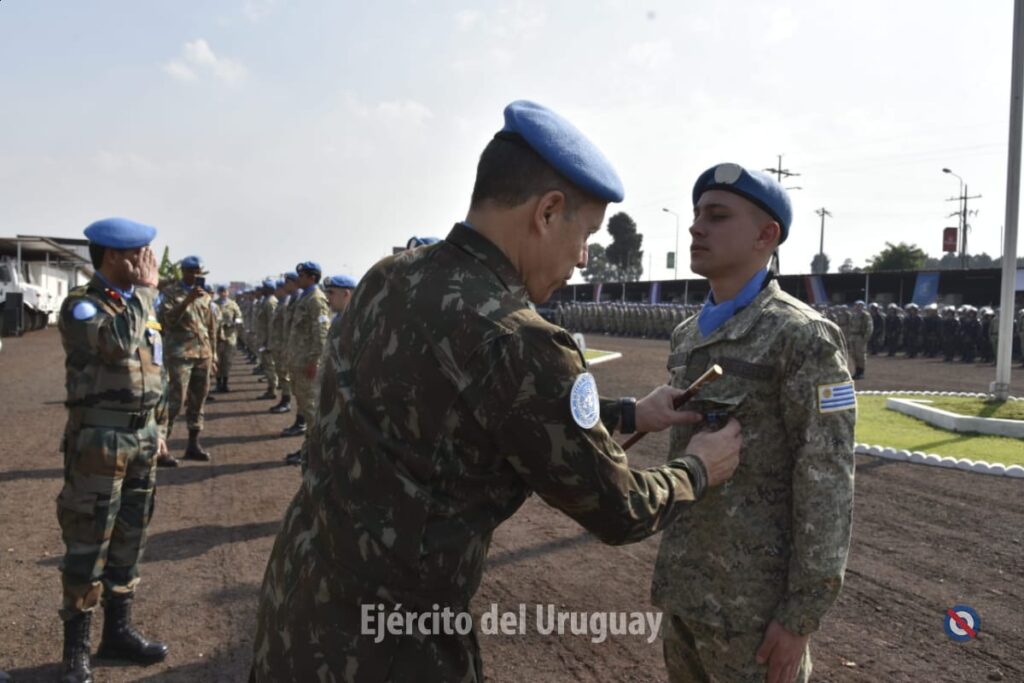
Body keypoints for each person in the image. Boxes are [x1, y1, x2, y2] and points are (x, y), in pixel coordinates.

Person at [250, 100, 743, 682]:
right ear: (547, 212)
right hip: (391, 647)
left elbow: (452, 406)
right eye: (586, 235)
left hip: (297, 603)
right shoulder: (520, 338)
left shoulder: (389, 276)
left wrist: (629, 412)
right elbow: (620, 509)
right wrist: (699, 468)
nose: (583, 258)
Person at [651, 163, 856, 683]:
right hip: (686, 594)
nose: (697, 227)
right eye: (697, 214)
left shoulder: (802, 337)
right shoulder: (687, 335)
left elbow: (827, 479)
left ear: (766, 236)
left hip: (755, 617)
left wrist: (801, 616)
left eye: (717, 216)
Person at [57, 217, 170, 682]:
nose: (148, 262)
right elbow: (116, 345)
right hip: (100, 444)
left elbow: (156, 370)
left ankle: (117, 633)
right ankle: (75, 650)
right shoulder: (83, 306)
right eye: (140, 254)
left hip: (141, 439)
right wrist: (144, 292)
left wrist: (158, 425)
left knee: (130, 538)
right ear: (114, 257)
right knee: (89, 543)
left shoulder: (138, 304)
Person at [284, 274, 358, 467]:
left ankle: (317, 454)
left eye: (331, 293)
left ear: (346, 294)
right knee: (317, 416)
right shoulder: (340, 318)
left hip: (343, 387)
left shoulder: (354, 321)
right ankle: (313, 451)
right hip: (331, 381)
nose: (327, 298)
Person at [157, 255, 217, 464]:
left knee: (198, 401)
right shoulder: (170, 293)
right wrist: (187, 300)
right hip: (179, 354)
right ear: (183, 271)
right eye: (191, 271)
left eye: (198, 272)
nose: (195, 275)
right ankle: (161, 448)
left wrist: (214, 355)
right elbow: (167, 320)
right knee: (175, 401)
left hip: (203, 354)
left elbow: (211, 327)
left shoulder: (206, 295)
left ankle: (193, 444)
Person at [280, 262, 330, 447]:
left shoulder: (316, 299)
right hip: (298, 361)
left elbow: (322, 334)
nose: (298, 279)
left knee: (310, 408)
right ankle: (309, 448)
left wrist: (315, 361)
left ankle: (317, 450)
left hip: (307, 363)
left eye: (301, 276)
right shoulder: (304, 297)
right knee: (303, 403)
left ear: (312, 278)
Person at [268, 277, 295, 414]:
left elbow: (288, 328)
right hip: (278, 345)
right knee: (281, 373)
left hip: (283, 345)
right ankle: (284, 399)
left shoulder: (286, 304)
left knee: (285, 375)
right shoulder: (281, 304)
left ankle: (287, 401)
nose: (275, 292)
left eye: (277, 289)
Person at [213, 285, 243, 392]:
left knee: (227, 360)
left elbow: (239, 317)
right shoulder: (214, 304)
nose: (223, 293)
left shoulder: (233, 305)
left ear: (227, 292)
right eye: (221, 291)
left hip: (229, 335)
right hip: (217, 336)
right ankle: (218, 382)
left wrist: (234, 323)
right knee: (217, 360)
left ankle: (225, 383)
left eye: (224, 291)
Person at [256, 279, 280, 401]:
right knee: (267, 365)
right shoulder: (266, 301)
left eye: (264, 288)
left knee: (270, 366)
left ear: (269, 289)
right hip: (264, 339)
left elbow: (272, 324)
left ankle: (272, 389)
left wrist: (269, 343)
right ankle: (271, 388)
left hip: (268, 341)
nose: (262, 290)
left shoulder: (270, 302)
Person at [847, 300, 872, 379]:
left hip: (860, 337)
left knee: (860, 355)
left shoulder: (865, 315)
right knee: (854, 355)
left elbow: (869, 327)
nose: (858, 307)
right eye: (857, 305)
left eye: (860, 306)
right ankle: (857, 371)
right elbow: (850, 326)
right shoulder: (853, 315)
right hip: (853, 336)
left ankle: (861, 372)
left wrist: (865, 338)